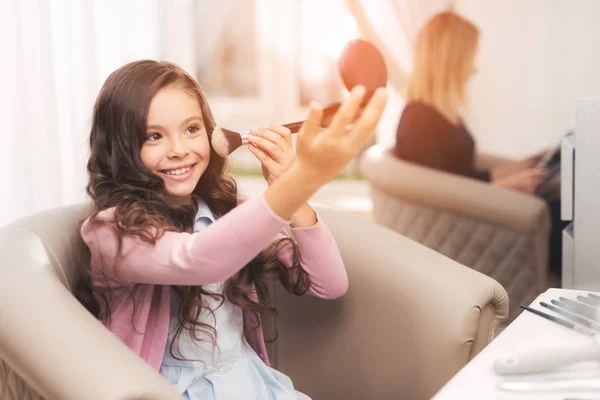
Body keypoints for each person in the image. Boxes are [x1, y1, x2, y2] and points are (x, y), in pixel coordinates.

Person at [77, 60, 388, 399]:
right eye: (154, 136)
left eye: (192, 129)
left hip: (249, 382)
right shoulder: (113, 231)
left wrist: (288, 184)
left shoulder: (225, 209)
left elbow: (330, 284)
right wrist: (302, 180)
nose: (179, 149)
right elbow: (198, 260)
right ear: (120, 149)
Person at [393, 11, 564, 276]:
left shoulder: (443, 114)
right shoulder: (418, 118)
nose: (475, 68)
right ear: (453, 60)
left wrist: (527, 163)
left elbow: (463, 176)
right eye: (471, 58)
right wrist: (504, 188)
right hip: (466, 225)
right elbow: (438, 195)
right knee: (571, 217)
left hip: (475, 211)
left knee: (570, 211)